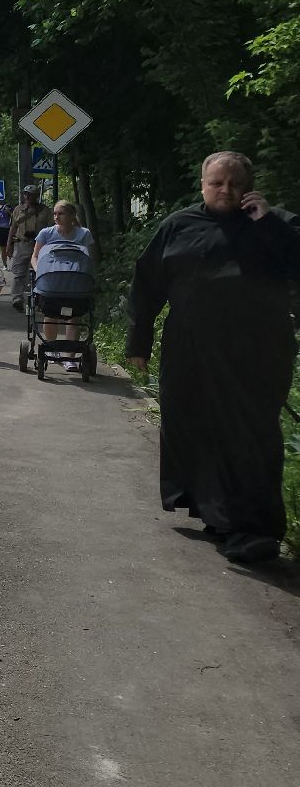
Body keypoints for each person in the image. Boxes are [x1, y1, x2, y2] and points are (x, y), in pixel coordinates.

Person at [127, 152, 300, 565]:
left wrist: (270, 223)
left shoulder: (275, 223)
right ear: (203, 184)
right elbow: (148, 282)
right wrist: (139, 340)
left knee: (249, 433)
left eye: (235, 184)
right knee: (193, 424)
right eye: (217, 183)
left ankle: (255, 529)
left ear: (249, 186)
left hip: (257, 349)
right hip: (190, 346)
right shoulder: (178, 226)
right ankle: (215, 513)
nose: (226, 191)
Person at [33, 200, 97, 367]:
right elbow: (35, 256)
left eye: (60, 213)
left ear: (71, 216)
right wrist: (39, 270)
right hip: (51, 281)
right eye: (54, 213)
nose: (56, 216)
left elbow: (89, 259)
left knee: (74, 318)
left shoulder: (84, 234)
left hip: (75, 282)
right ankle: (51, 348)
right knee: (50, 315)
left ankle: (70, 356)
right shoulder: (46, 233)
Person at [8, 186, 52, 310]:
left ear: (37, 196)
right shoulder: (18, 209)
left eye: (30, 194)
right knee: (18, 273)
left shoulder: (45, 210)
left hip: (40, 245)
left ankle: (38, 299)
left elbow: (51, 228)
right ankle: (17, 298)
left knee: (39, 272)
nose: (27, 197)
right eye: (25, 194)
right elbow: (13, 228)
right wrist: (9, 245)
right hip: (22, 244)